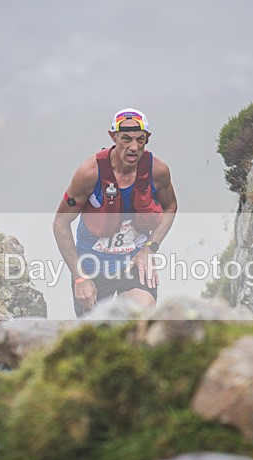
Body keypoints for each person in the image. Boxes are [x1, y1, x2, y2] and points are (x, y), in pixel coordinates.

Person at [53, 108, 177, 317]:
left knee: (137, 314)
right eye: (126, 139)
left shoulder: (157, 171)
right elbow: (60, 224)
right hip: (91, 268)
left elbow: (170, 207)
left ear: (148, 138)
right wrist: (80, 278)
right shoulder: (89, 174)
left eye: (140, 139)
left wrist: (149, 249)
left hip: (134, 264)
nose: (134, 147)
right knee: (95, 335)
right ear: (113, 137)